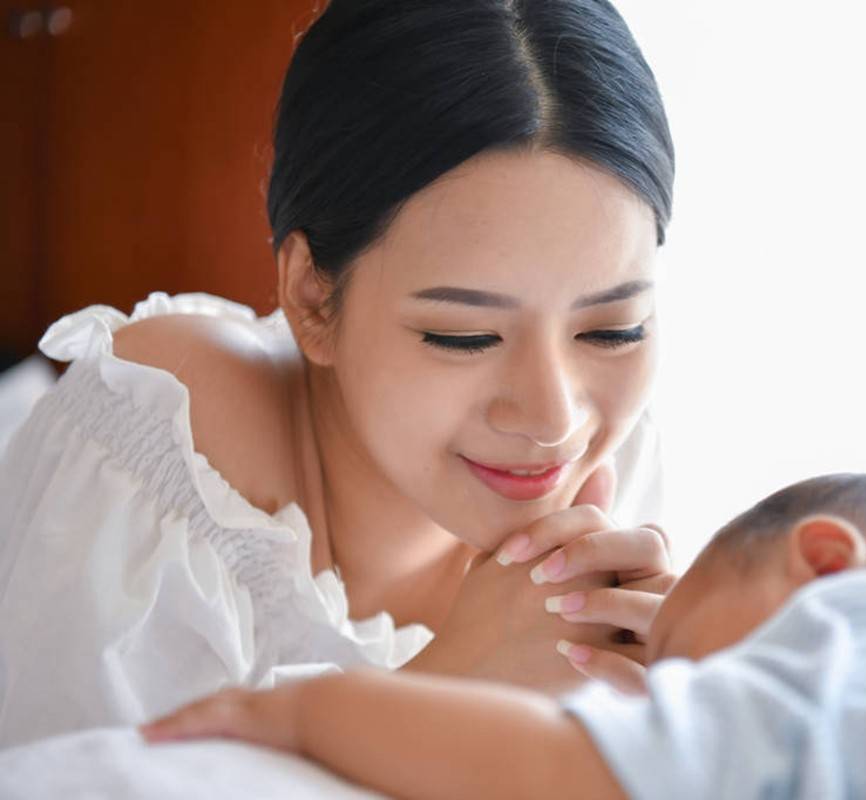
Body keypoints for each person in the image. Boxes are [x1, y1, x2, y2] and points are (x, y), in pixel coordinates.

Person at [0, 0, 676, 748]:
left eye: (612, 328)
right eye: (466, 335)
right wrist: (452, 690)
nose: (556, 419)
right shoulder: (160, 448)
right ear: (313, 301)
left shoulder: (614, 462)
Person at [144, 473, 866, 800]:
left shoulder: (837, 662)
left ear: (827, 564)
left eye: (692, 667)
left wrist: (302, 703)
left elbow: (548, 769)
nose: (669, 692)